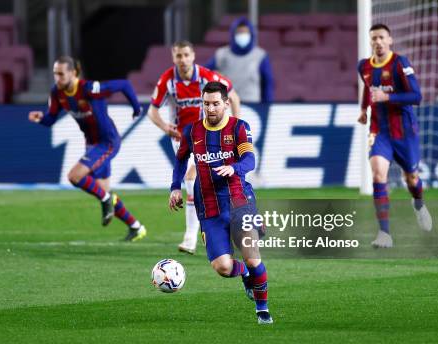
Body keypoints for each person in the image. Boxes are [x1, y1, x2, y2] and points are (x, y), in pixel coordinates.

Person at [169, 81, 272, 324]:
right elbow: (180, 160)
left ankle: (262, 309)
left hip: (239, 201)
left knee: (252, 257)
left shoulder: (239, 128)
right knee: (224, 268)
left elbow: (249, 160)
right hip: (209, 207)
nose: (211, 109)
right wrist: (175, 187)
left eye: (216, 104)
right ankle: (245, 274)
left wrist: (232, 167)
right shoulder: (192, 132)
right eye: (206, 104)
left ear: (226, 104)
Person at [28, 56, 147, 241]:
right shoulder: (56, 93)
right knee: (104, 191)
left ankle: (107, 200)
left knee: (74, 176)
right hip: (91, 143)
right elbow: (51, 118)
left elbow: (124, 84)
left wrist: (136, 107)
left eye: (61, 74)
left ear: (73, 73)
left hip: (107, 142)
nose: (57, 78)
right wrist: (40, 118)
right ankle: (136, 227)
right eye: (55, 74)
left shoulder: (89, 89)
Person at [147, 40, 241, 254]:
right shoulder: (167, 80)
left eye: (186, 55)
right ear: (173, 58)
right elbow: (152, 111)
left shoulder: (207, 77)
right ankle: (212, 229)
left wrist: (235, 125)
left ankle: (192, 236)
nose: (182, 60)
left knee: (193, 179)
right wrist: (164, 127)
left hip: (207, 135)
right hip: (180, 138)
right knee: (198, 182)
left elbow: (233, 96)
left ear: (193, 56)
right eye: (178, 56)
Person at [357, 23, 432, 248]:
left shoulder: (400, 63)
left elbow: (416, 96)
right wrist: (363, 109)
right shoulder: (364, 66)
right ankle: (384, 234)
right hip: (379, 131)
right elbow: (368, 87)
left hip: (404, 132)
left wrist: (387, 98)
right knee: (379, 175)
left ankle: (418, 204)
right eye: (373, 39)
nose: (377, 42)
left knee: (412, 179)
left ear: (390, 40)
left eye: (381, 37)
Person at [205, 17, 274, 103]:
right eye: (239, 32)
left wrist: (267, 105)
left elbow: (267, 83)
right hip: (228, 105)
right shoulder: (221, 54)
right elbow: (205, 73)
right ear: (233, 34)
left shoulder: (260, 56)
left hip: (253, 105)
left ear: (251, 34)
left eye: (245, 32)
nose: (242, 35)